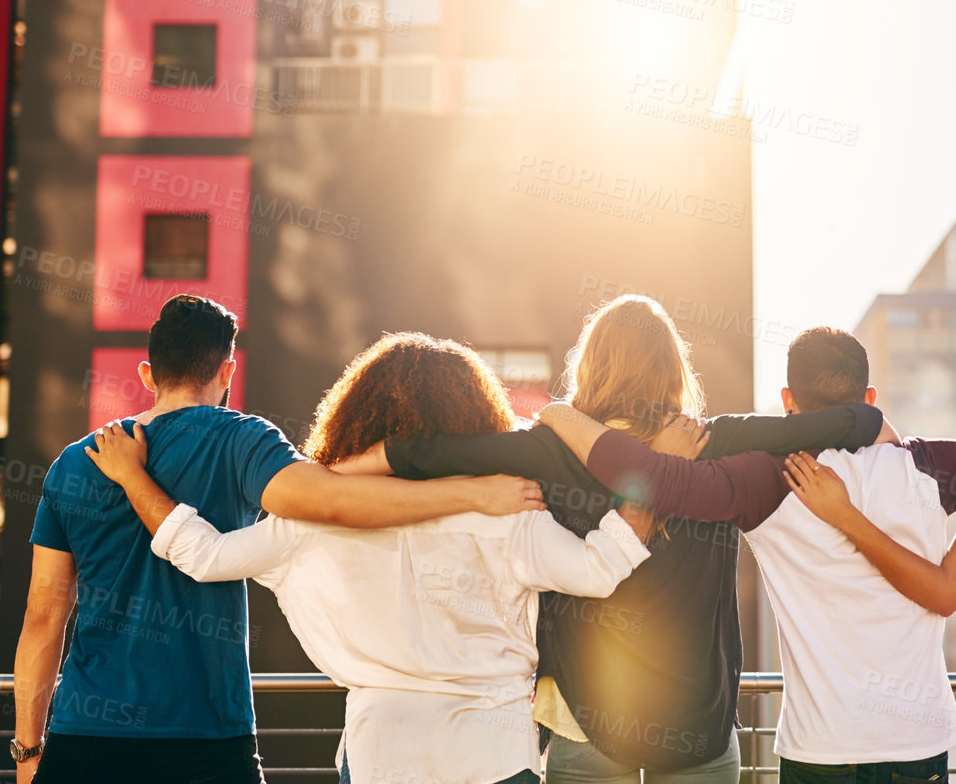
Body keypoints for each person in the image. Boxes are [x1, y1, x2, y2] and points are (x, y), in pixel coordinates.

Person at [535, 325, 956, 784]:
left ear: (789, 404)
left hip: (819, 752)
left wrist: (563, 417)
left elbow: (657, 478)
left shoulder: (764, 481)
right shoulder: (935, 467)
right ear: (870, 401)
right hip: (920, 746)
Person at [332, 295, 896, 784]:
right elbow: (849, 422)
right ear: (674, 369)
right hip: (700, 720)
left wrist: (327, 473)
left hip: (587, 721)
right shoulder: (718, 439)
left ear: (592, 366)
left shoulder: (546, 447)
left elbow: (426, 454)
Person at [11, 296, 542, 784]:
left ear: (149, 373)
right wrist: (471, 487)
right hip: (208, 735)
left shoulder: (75, 463)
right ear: (227, 370)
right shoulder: (242, 440)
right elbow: (332, 498)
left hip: (85, 733)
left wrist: (28, 751)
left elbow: (42, 618)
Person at [87, 332, 654, 784]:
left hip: (380, 753)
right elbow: (598, 570)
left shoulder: (308, 522)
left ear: (353, 413)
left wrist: (132, 475)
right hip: (495, 755)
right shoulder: (508, 505)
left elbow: (203, 555)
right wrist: (650, 488)